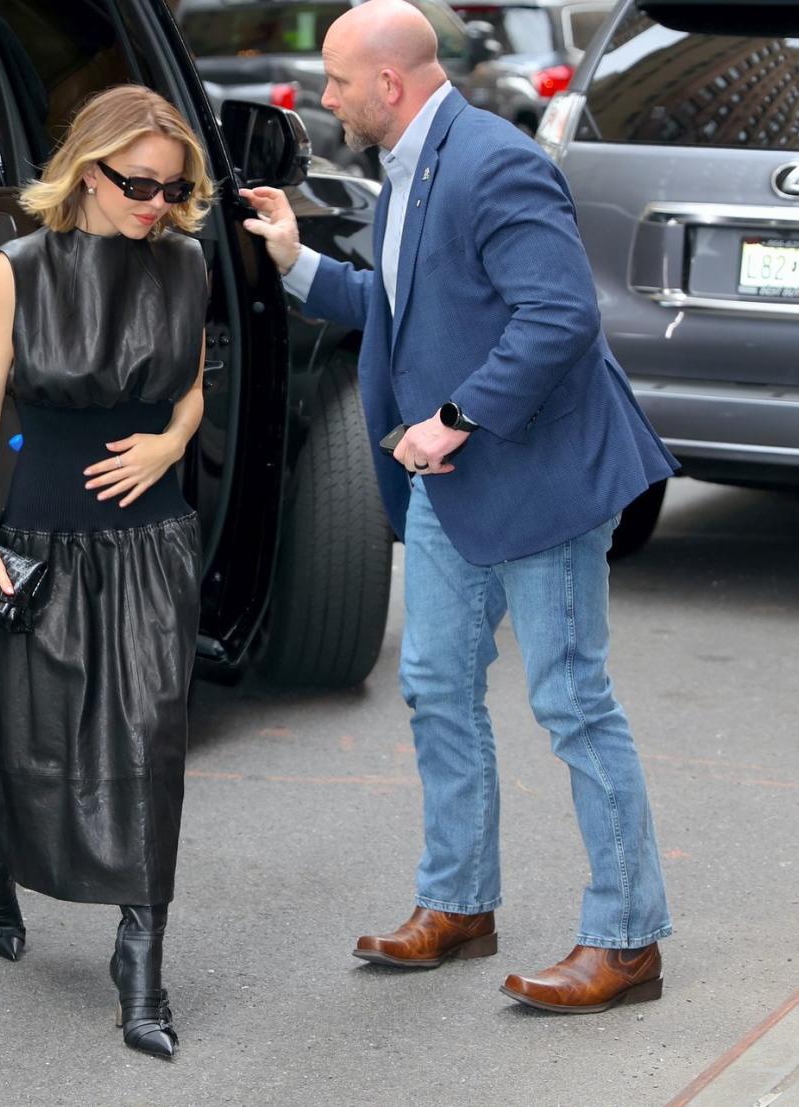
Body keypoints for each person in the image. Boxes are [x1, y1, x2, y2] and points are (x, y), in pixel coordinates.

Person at [240, 0, 675, 1014]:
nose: (327, 98)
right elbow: (401, 310)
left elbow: (560, 314)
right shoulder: (409, 165)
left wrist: (456, 417)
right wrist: (295, 259)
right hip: (450, 484)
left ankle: (626, 937)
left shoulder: (495, 162)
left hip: (539, 475)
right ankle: (460, 907)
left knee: (571, 703)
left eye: (339, 82)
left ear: (388, 84)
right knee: (437, 685)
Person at [0, 84, 212, 1058]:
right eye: (137, 184)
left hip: (152, 541)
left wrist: (167, 447)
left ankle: (139, 969)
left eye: (170, 188)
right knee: (29, 729)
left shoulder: (184, 265)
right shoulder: (17, 270)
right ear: (87, 171)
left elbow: (188, 394)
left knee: (147, 748)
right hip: (41, 537)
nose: (154, 203)